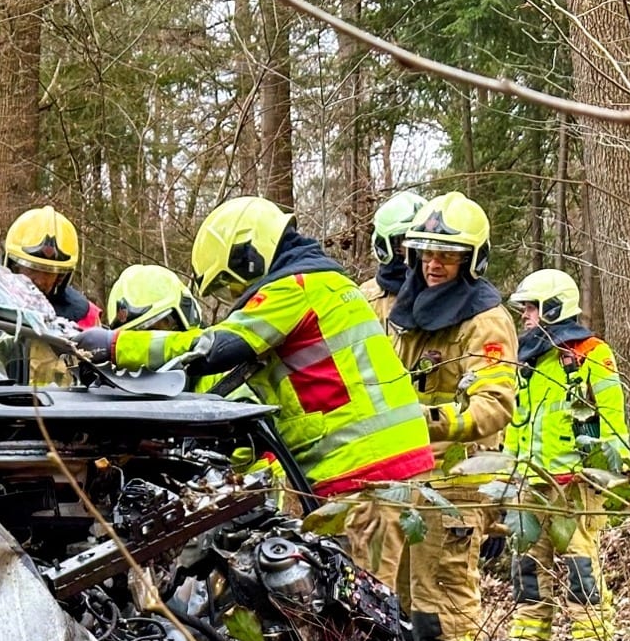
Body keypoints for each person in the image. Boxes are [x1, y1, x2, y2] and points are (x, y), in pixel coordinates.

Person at [75, 196, 434, 498]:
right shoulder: (328, 284)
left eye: (231, 282)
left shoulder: (294, 288)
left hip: (364, 470)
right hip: (392, 463)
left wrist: (116, 345)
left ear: (250, 257)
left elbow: (214, 348)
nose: (236, 295)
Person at [344, 191, 519, 641]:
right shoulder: (402, 309)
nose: (434, 264)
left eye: (447, 255)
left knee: (442, 610)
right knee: (390, 609)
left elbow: (493, 406)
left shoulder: (486, 321)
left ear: (472, 260)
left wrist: (424, 419)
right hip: (401, 478)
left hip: (455, 485)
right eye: (425, 253)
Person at [500, 268, 630, 641]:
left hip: (575, 479)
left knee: (580, 561)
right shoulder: (526, 357)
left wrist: (613, 467)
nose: (525, 315)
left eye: (532, 308)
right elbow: (517, 419)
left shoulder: (591, 353)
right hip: (529, 477)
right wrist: (508, 472)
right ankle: (530, 634)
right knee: (526, 559)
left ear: (554, 308)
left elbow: (611, 413)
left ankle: (591, 635)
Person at [4, 207, 99, 327]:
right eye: (32, 269)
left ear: (60, 277)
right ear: (13, 267)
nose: (39, 280)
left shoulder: (83, 317)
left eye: (48, 272)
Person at [358, 190, 428, 321]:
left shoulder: (445, 291)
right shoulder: (365, 296)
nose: (417, 247)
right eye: (407, 239)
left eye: (422, 239)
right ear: (391, 246)